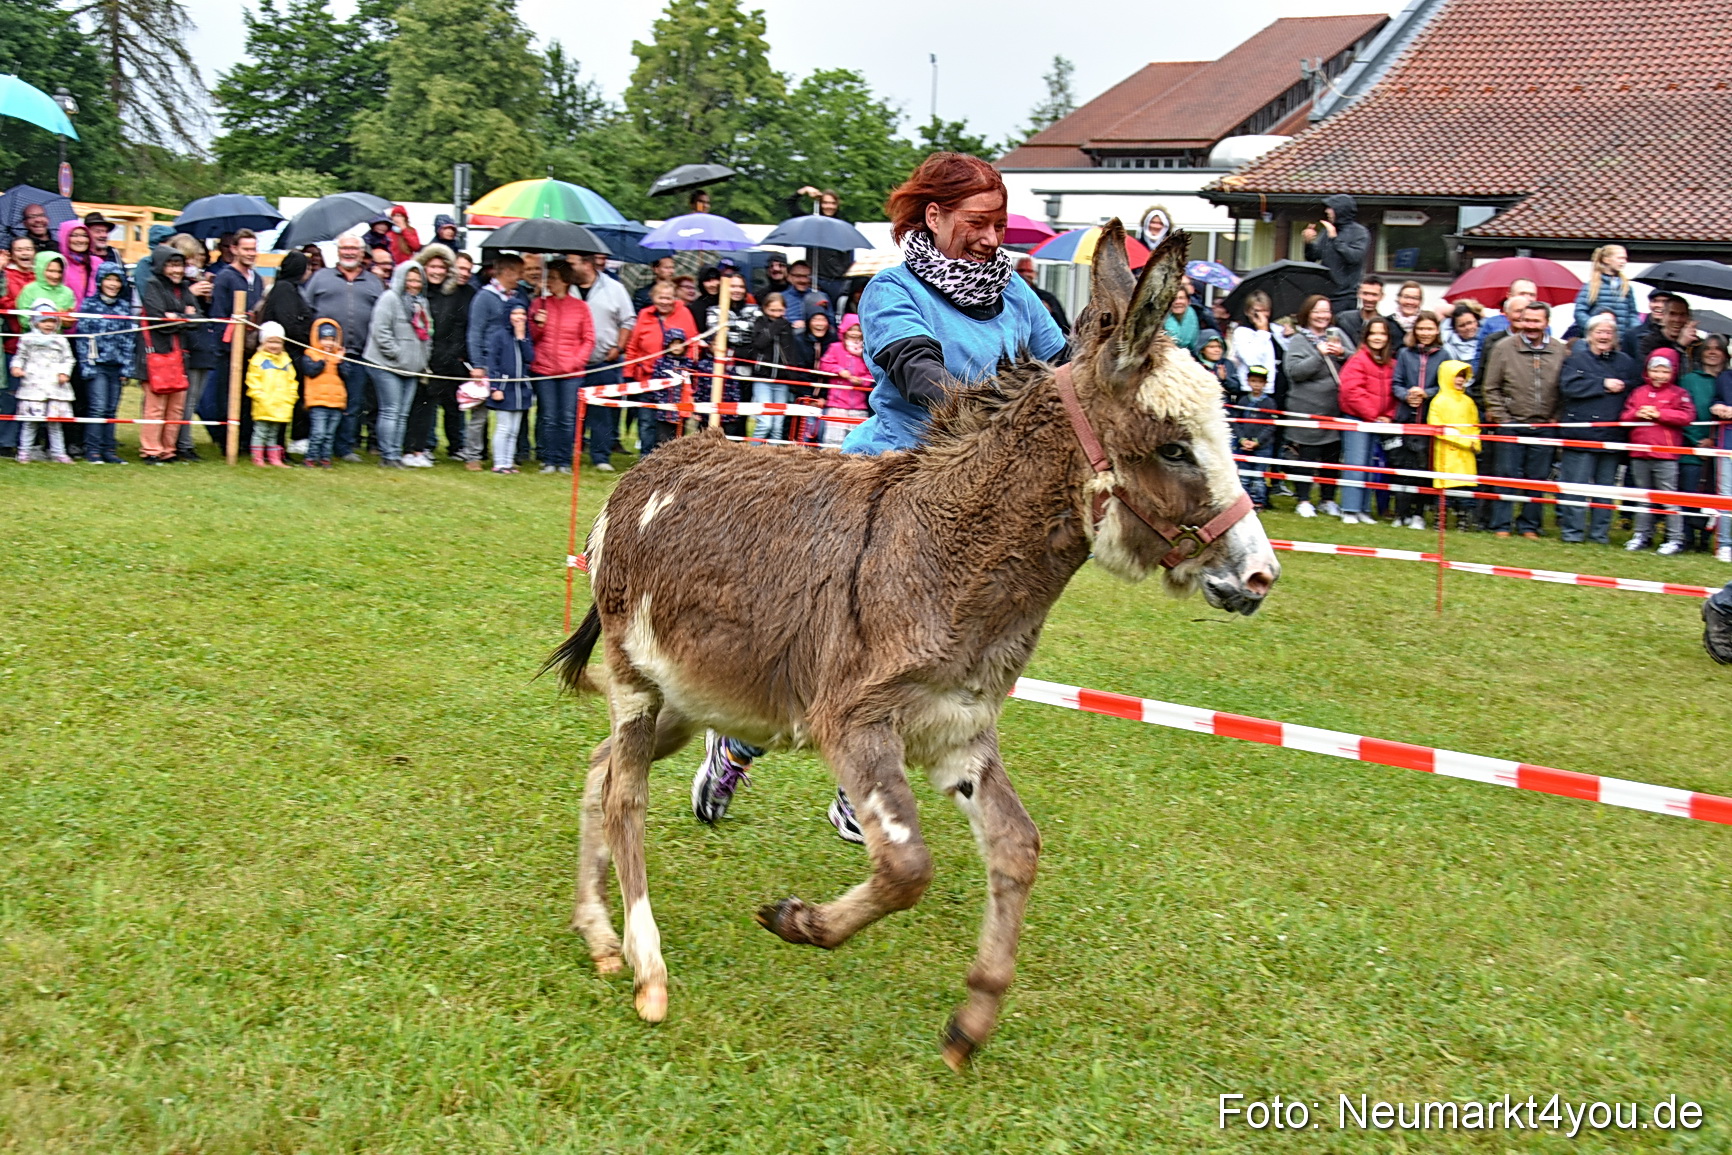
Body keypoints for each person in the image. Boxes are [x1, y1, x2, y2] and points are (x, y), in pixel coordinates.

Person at [692, 152, 1066, 842]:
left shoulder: (1017, 295)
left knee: (938, 659)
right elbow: (915, 368)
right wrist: (984, 424)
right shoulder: (891, 290)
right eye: (978, 222)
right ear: (935, 215)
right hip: (888, 482)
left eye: (999, 222)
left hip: (982, 508)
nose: (991, 237)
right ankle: (737, 744)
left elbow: (1064, 368)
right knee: (828, 654)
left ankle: (851, 791)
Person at [1481, 301, 1566, 538]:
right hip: (1512, 423)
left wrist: (1554, 418)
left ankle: (1530, 525)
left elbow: (1564, 389)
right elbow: (1491, 388)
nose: (1530, 326)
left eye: (1536, 321)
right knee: (1506, 475)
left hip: (1544, 426)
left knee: (1537, 479)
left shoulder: (1560, 350)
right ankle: (1502, 524)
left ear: (1546, 323)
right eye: (1526, 320)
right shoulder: (1502, 348)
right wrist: (1504, 419)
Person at [1557, 313, 1636, 545]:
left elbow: (1634, 388)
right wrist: (1602, 385)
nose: (1604, 337)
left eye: (1608, 333)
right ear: (1589, 335)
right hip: (1580, 435)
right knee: (1575, 488)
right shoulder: (1575, 361)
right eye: (1599, 332)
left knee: (1606, 490)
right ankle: (1573, 533)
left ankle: (1600, 534)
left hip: (1612, 437)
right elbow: (1568, 387)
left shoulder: (1625, 362)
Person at [307, 235, 385, 462]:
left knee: (353, 403)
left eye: (354, 248)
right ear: (337, 251)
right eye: (345, 248)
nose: (349, 252)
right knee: (323, 401)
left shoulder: (373, 282)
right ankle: (320, 446)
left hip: (360, 354)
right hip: (324, 354)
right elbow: (307, 308)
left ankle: (345, 447)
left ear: (362, 253)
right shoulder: (320, 278)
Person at [1282, 294, 1351, 517]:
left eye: (1326, 311)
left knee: (1332, 456)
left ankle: (1328, 498)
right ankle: (1303, 499)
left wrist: (1342, 353)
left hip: (1335, 408)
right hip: (1307, 410)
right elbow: (1294, 372)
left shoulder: (1338, 335)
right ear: (1308, 314)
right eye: (1317, 311)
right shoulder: (1299, 340)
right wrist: (1319, 355)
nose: (1323, 316)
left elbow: (1358, 358)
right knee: (1307, 456)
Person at [566, 251, 636, 467]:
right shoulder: (565, 288)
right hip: (570, 363)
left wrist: (619, 347)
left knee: (602, 413)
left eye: (572, 264)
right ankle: (566, 455)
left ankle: (600, 456)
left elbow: (628, 320)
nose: (567, 268)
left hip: (603, 361)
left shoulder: (614, 288)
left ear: (586, 264)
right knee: (569, 412)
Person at [1622, 348, 1695, 555]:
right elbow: (1625, 416)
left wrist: (1659, 414)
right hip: (1639, 452)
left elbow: (1686, 416)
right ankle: (1641, 535)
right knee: (1643, 496)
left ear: (1673, 372)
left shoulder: (1679, 394)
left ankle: (1675, 538)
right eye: (1656, 370)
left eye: (1665, 371)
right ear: (1648, 370)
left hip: (1665, 454)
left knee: (1669, 497)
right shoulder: (1639, 392)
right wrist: (1638, 413)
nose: (1659, 376)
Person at [362, 259, 433, 468]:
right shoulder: (389, 299)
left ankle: (395, 453)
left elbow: (427, 333)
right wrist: (399, 355)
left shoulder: (422, 302)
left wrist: (422, 359)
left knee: (402, 413)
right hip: (386, 364)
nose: (413, 284)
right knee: (390, 410)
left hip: (412, 367)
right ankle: (388, 455)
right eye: (409, 280)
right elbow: (380, 332)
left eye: (417, 280)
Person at [530, 259, 597, 474]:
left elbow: (588, 339)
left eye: (554, 278)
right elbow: (531, 338)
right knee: (548, 417)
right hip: (545, 370)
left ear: (565, 281)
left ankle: (565, 460)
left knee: (568, 418)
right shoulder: (539, 304)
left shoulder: (580, 307)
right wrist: (537, 324)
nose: (549, 282)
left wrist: (576, 362)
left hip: (572, 373)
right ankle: (549, 459)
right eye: (548, 277)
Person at [138, 245, 203, 464]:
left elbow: (197, 319)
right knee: (155, 407)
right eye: (172, 265)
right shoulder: (152, 286)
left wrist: (175, 317)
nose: (177, 270)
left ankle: (168, 449)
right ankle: (151, 450)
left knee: (176, 407)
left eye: (180, 265)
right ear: (161, 266)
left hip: (179, 356)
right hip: (155, 354)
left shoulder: (184, 288)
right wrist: (183, 316)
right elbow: (159, 322)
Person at [207, 228, 267, 448]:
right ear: (234, 249)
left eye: (254, 249)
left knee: (249, 395)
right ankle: (227, 441)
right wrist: (227, 345)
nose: (251, 253)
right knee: (227, 396)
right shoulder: (225, 277)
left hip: (252, 347)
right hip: (229, 347)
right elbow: (218, 314)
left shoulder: (258, 279)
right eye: (246, 249)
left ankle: (246, 439)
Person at [1337, 315, 1398, 525]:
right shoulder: (1358, 360)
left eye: (1382, 333)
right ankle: (1350, 509)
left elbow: (1394, 393)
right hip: (1358, 419)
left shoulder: (1391, 363)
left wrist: (1388, 416)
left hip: (1378, 422)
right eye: (1373, 333)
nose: (1378, 338)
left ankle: (1363, 508)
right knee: (1356, 463)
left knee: (1370, 466)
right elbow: (1351, 391)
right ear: (1366, 336)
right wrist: (1374, 416)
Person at [1388, 311, 1446, 529]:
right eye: (1421, 328)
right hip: (1406, 419)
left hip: (1430, 419)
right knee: (1403, 467)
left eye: (1430, 328)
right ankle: (1401, 513)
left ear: (1437, 330)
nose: (1425, 333)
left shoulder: (1444, 355)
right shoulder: (1404, 354)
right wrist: (1407, 394)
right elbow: (1396, 383)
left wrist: (1426, 393)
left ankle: (1419, 513)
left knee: (1423, 468)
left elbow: (1445, 385)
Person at [75, 260, 136, 465]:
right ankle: (92, 450)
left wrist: (127, 366)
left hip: (116, 365)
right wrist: (87, 365)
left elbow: (129, 338)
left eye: (117, 280)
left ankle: (108, 449)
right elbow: (83, 338)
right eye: (109, 279)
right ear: (100, 281)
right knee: (98, 407)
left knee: (111, 409)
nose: (113, 284)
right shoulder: (89, 304)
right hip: (96, 365)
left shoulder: (124, 307)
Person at [10, 304, 75, 463]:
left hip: (55, 386)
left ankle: (58, 452)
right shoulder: (27, 339)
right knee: (30, 422)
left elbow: (68, 359)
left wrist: (64, 372)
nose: (48, 324)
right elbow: (20, 356)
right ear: (35, 321)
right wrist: (16, 367)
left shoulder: (61, 340)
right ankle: (24, 451)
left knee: (55, 423)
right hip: (33, 385)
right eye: (44, 320)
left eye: (52, 321)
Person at [1429, 361, 1481, 528]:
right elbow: (1437, 427)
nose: (1460, 380)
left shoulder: (1468, 402)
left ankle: (1463, 520)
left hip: (1466, 455)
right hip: (1447, 453)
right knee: (1445, 489)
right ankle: (1440, 519)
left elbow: (1475, 425)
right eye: (1456, 376)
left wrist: (1475, 443)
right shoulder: (1438, 401)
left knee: (1464, 490)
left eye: (1463, 376)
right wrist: (1466, 442)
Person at [484, 302, 535, 473]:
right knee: (503, 427)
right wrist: (495, 387)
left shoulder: (525, 336)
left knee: (514, 429)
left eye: (522, 314)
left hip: (521, 389)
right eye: (515, 313)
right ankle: (499, 462)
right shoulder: (499, 336)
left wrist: (521, 338)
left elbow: (529, 357)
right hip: (505, 388)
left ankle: (508, 461)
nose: (519, 317)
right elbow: (493, 363)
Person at [1301, 195, 1369, 314]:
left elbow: (1354, 257)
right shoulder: (1327, 230)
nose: (1326, 211)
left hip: (1345, 297)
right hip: (1324, 294)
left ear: (1340, 210)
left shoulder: (1359, 232)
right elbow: (1313, 257)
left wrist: (1335, 239)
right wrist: (1308, 243)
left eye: (1330, 208)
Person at [245, 322, 297, 467]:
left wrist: (291, 396)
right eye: (270, 341)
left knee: (274, 433)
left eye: (278, 342)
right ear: (263, 341)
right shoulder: (258, 360)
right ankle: (258, 458)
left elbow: (291, 380)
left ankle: (274, 458)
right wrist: (260, 396)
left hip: (281, 404)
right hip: (264, 404)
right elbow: (253, 381)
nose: (274, 345)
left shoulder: (286, 360)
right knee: (261, 431)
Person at [815, 312, 870, 448]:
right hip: (836, 403)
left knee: (856, 442)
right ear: (844, 329)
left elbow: (872, 374)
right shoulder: (835, 347)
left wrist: (862, 381)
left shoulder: (867, 351)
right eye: (851, 329)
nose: (855, 333)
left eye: (858, 330)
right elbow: (824, 365)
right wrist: (840, 371)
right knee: (832, 441)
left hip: (859, 405)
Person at [299, 318, 348, 467]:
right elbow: (311, 371)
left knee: (329, 434)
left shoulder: (339, 357)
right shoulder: (310, 354)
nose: (329, 343)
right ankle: (310, 458)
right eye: (325, 339)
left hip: (336, 402)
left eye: (332, 339)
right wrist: (327, 359)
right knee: (318, 433)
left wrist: (340, 362)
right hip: (317, 401)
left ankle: (325, 458)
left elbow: (346, 375)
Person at [797, 186, 855, 302]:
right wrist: (803, 191)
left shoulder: (843, 226)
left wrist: (843, 274)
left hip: (837, 281)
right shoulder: (812, 223)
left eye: (833, 203)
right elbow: (792, 206)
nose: (829, 206)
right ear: (820, 204)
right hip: (816, 278)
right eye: (826, 203)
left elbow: (849, 254)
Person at [1231, 366, 1276, 508]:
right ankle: (1245, 502)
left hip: (1262, 447)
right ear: (1248, 381)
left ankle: (1258, 501)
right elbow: (1237, 422)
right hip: (1242, 445)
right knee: (1243, 475)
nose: (1256, 385)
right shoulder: (1243, 401)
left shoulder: (1269, 403)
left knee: (1258, 475)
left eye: (1260, 382)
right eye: (1253, 381)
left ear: (1265, 383)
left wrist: (1257, 441)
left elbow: (1271, 425)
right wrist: (1242, 439)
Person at [259, 250, 315, 360]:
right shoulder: (285, 288)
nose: (310, 272)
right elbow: (288, 322)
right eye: (307, 268)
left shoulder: (293, 288)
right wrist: (308, 339)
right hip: (286, 351)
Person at [1572, 245, 1638, 337]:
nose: (1624, 262)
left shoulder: (1626, 287)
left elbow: (1632, 314)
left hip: (1622, 341)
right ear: (1606, 260)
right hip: (1598, 340)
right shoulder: (1592, 286)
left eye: (1625, 258)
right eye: (1620, 258)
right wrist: (1594, 328)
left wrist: (1635, 332)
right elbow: (1579, 312)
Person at [1230, 290, 1277, 385]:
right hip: (1251, 388)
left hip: (1273, 386)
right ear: (1247, 311)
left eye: (1265, 311)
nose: (1261, 316)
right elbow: (1252, 361)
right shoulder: (1241, 332)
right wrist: (1262, 331)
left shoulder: (1275, 329)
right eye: (1257, 311)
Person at [56, 220, 101, 305]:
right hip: (67, 315)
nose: (80, 240)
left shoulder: (97, 262)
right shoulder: (58, 262)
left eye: (84, 235)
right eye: (75, 235)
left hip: (93, 315)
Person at [1336, 276, 1389, 346]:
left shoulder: (1386, 325)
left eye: (1374, 295)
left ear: (1381, 296)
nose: (1369, 299)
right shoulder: (1344, 319)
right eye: (1365, 293)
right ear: (1358, 294)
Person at [1160, 283, 1200, 351]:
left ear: (1188, 301)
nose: (1177, 302)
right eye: (1173, 299)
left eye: (1181, 298)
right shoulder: (1158, 321)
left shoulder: (1196, 315)